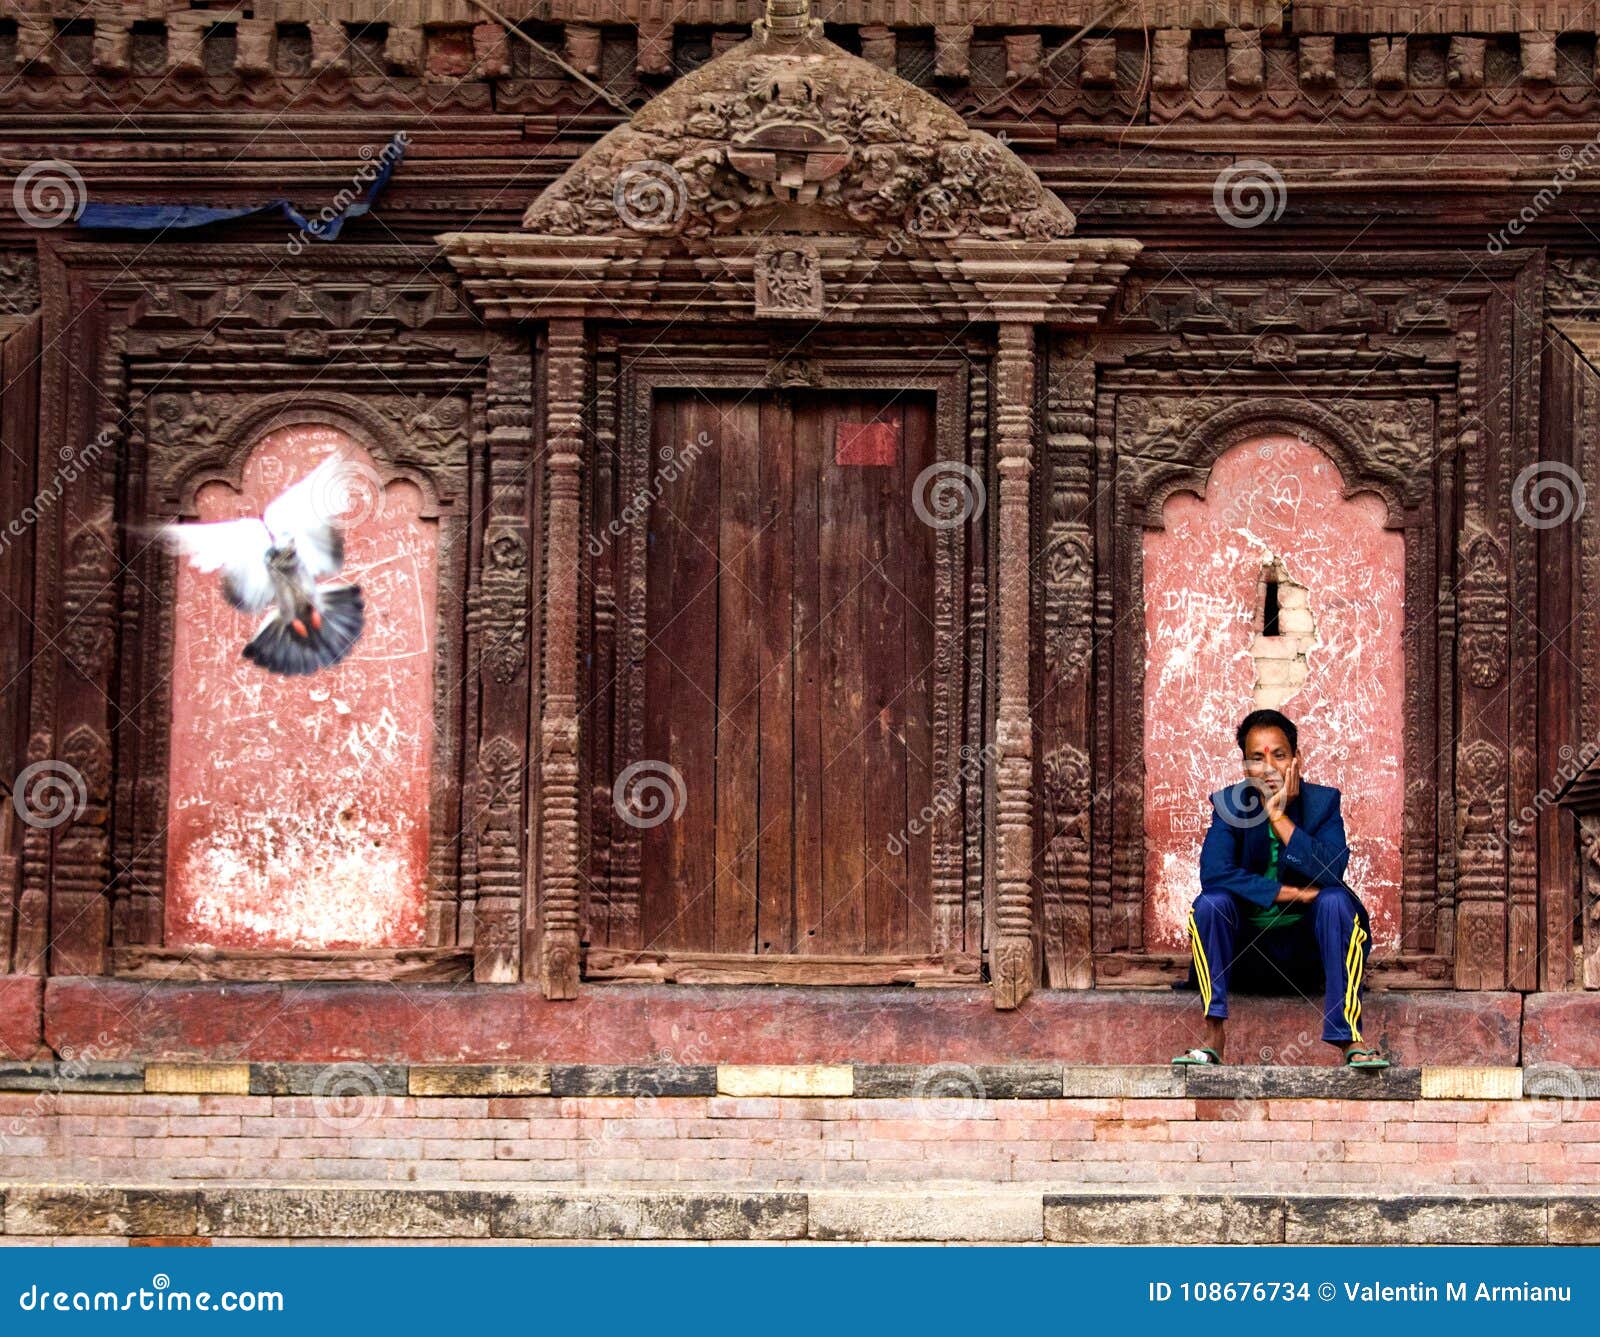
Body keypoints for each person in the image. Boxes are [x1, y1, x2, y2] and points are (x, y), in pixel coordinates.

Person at [1171, 708, 1389, 1069]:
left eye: (1280, 754)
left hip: (1309, 956)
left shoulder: (1322, 803)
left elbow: (1331, 871)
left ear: (1297, 759)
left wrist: (1277, 816)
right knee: (1210, 905)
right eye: (1257, 757)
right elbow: (1214, 874)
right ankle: (1213, 1037)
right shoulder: (1230, 805)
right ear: (1245, 767)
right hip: (1246, 955)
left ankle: (1351, 1039)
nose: (1269, 766)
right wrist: (1291, 893)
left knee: (1336, 901)